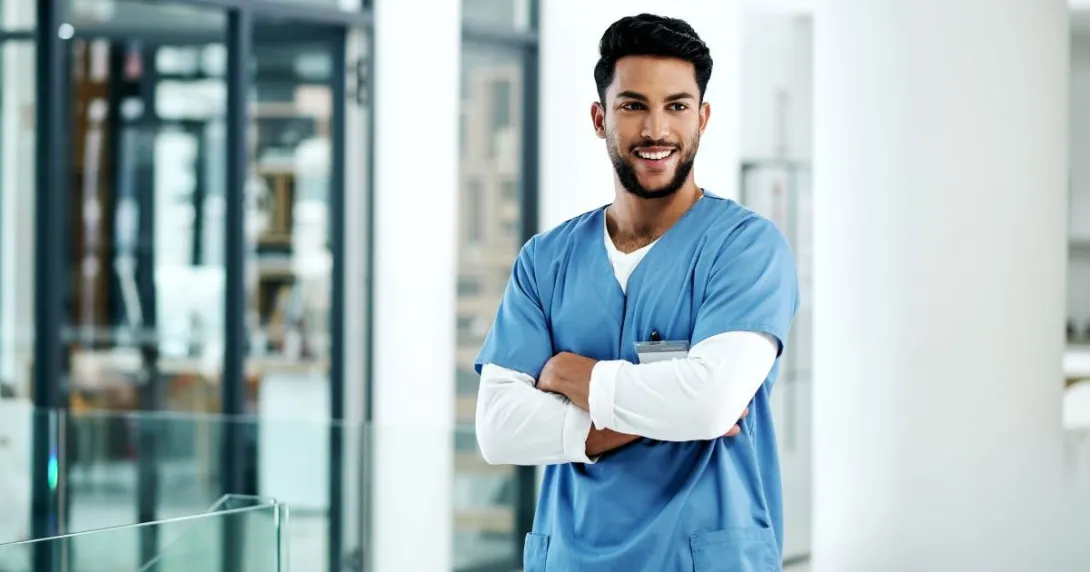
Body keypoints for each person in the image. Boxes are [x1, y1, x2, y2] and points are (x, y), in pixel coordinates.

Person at [474, 13, 799, 571]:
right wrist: (658, 410)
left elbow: (710, 402)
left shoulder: (746, 249)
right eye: (633, 106)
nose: (656, 130)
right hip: (570, 557)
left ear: (703, 117)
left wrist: (569, 375)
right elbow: (499, 429)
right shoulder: (546, 261)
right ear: (600, 118)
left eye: (676, 106)